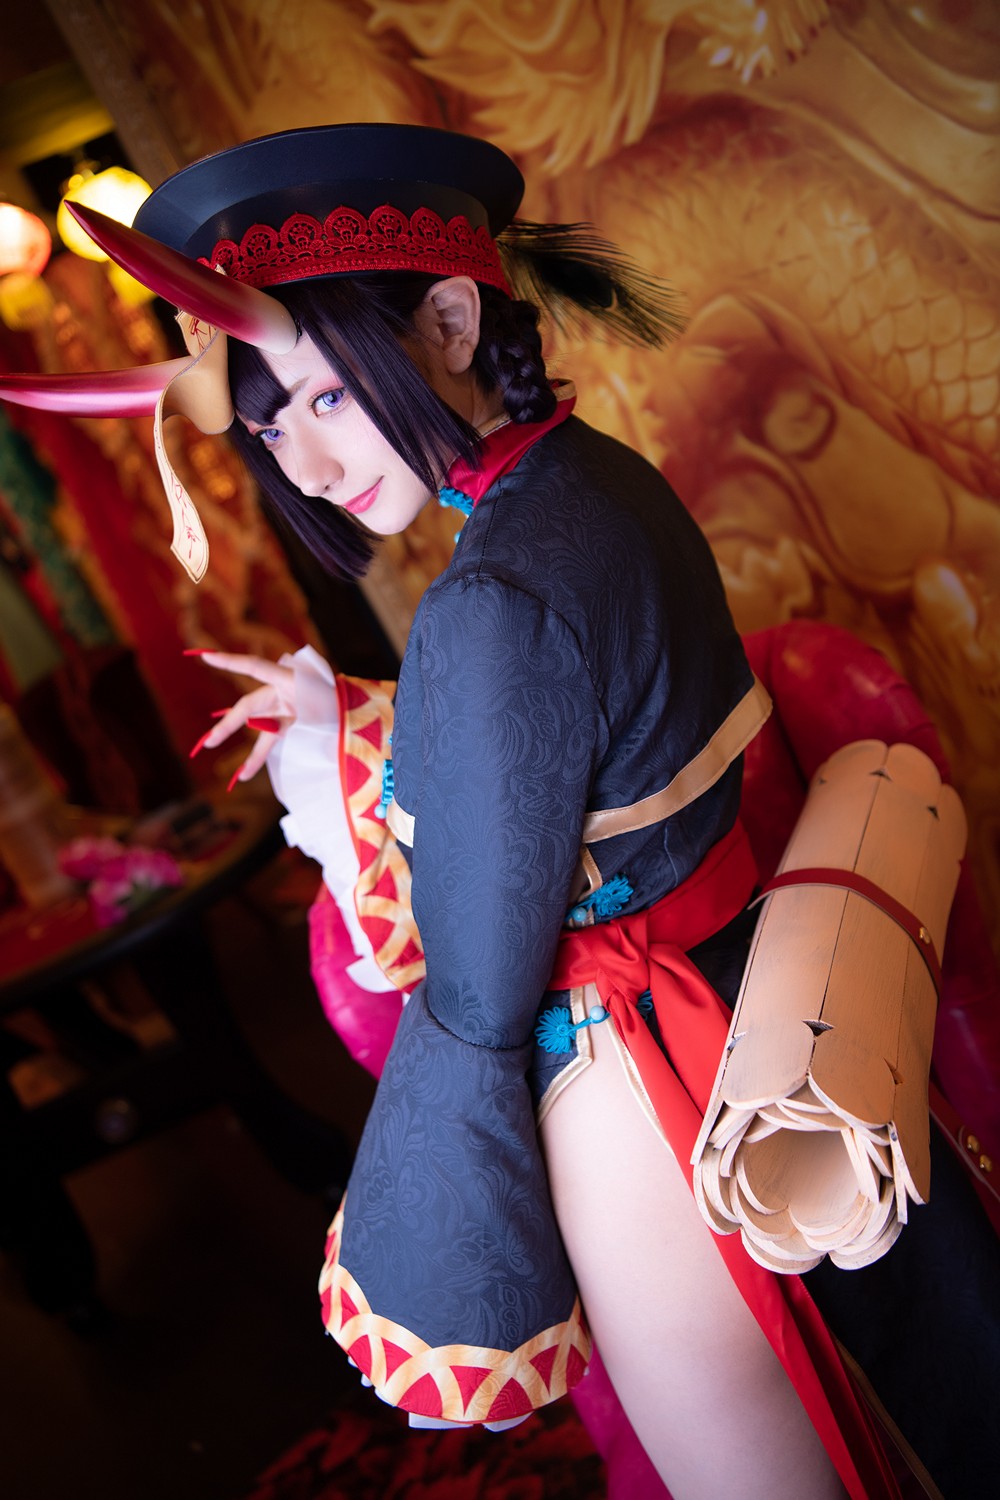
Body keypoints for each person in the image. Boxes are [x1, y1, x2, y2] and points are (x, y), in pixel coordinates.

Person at [2, 125, 996, 1499]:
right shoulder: (604, 479)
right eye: (274, 424)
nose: (306, 463)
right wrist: (366, 721)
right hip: (754, 980)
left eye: (326, 396)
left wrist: (429, 1203)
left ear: (454, 321)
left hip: (637, 1075)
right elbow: (588, 748)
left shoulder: (490, 598)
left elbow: (474, 966)